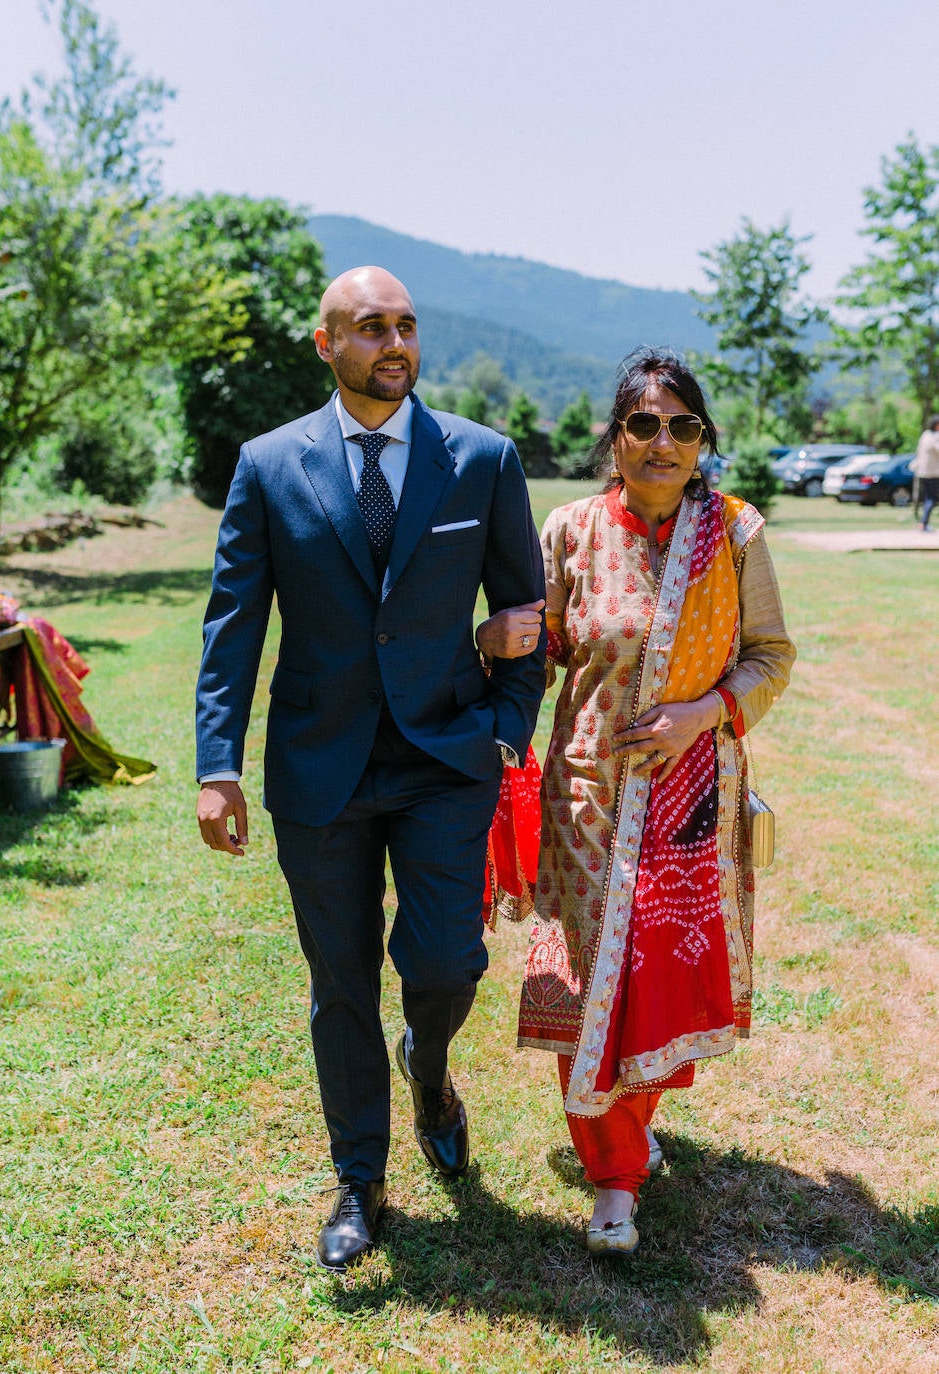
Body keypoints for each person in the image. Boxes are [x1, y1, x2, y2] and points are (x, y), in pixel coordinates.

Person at [195, 266, 546, 1271]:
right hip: (320, 769)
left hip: (445, 757)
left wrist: (502, 734)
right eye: (369, 326)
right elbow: (230, 629)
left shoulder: (480, 459)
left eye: (405, 324)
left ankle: (428, 1071)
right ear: (325, 344)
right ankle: (360, 1177)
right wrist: (216, 764)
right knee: (339, 979)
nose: (393, 342)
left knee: (444, 964)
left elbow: (529, 620)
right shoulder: (267, 466)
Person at [478, 349, 795, 1257]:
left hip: (690, 799)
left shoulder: (734, 535)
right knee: (588, 989)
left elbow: (770, 656)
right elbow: (531, 658)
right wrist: (486, 646)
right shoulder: (571, 530)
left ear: (703, 442)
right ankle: (613, 1178)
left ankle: (630, 1124)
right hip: (587, 799)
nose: (662, 443)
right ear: (613, 437)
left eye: (682, 427)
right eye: (643, 425)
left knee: (652, 984)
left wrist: (702, 712)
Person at [912, 414, 939, 532]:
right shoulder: (936, 437)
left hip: (922, 472)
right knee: (931, 498)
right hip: (933, 473)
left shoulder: (925, 435)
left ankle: (923, 523)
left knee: (928, 498)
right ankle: (923, 523)